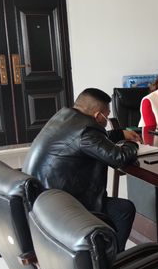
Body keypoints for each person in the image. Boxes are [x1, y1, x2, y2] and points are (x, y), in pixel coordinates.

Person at [23, 88, 140, 251]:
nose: (107, 119)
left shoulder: (64, 117)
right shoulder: (87, 132)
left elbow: (88, 142)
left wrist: (119, 134)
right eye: (107, 115)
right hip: (63, 206)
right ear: (98, 115)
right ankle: (114, 258)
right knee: (124, 210)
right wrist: (133, 145)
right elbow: (118, 157)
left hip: (42, 197)